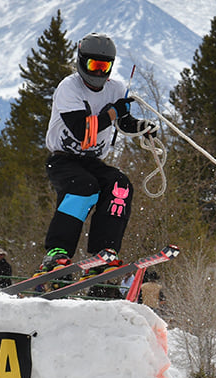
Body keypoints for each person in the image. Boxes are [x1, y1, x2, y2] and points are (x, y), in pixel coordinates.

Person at [37, 32, 157, 274]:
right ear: (82, 62)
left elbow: (122, 122)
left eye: (105, 66)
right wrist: (113, 112)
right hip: (64, 159)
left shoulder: (116, 89)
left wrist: (141, 127)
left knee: (119, 186)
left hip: (93, 160)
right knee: (84, 186)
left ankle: (105, 251)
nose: (100, 72)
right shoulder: (69, 88)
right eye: (95, 65)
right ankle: (57, 252)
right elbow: (83, 131)